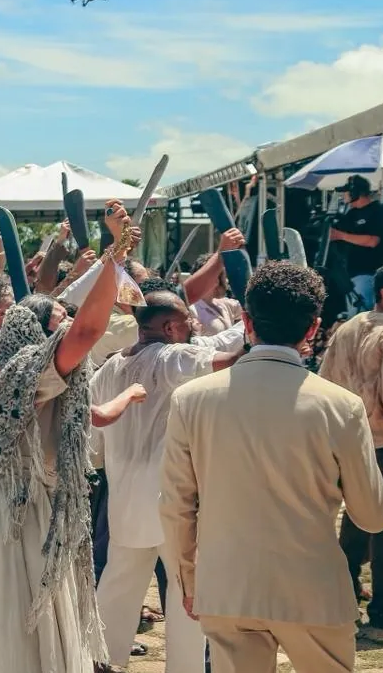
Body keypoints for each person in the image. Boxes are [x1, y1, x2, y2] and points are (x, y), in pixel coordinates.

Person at [0, 203, 138, 673]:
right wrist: (116, 253)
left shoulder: (23, 371)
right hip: (8, 513)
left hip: (6, 505)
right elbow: (90, 329)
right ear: (40, 335)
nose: (69, 323)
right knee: (11, 629)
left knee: (2, 628)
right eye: (60, 318)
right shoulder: (30, 371)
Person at [161, 261, 383, 672]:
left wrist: (190, 579)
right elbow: (373, 516)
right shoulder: (341, 406)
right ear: (313, 328)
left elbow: (176, 505)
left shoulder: (191, 399)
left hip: (227, 586)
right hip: (313, 588)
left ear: (247, 321)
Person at [91, 288, 244, 673]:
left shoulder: (109, 367)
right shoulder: (170, 355)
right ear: (171, 327)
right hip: (169, 500)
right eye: (188, 322)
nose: (193, 327)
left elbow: (93, 437)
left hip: (124, 498)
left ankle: (99, 660)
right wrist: (264, 342)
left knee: (118, 583)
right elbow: (225, 362)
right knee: (185, 588)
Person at [322, 262, 383, 628]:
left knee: (355, 516)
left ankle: (344, 589)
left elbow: (324, 381)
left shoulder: (347, 327)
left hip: (345, 438)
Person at [332, 174, 383, 312]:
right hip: (352, 275)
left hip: (370, 273)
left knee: (362, 315)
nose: (344, 195)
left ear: (355, 192)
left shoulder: (378, 211)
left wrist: (340, 235)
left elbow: (372, 241)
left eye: (346, 192)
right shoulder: (351, 214)